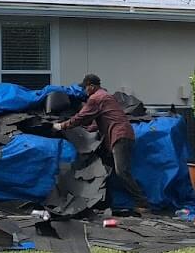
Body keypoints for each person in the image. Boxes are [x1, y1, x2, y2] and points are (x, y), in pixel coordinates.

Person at [54, 74, 149, 213]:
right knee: (108, 170)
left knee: (121, 171)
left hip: (119, 136)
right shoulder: (106, 96)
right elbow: (98, 120)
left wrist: (62, 126)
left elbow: (82, 116)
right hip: (122, 134)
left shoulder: (96, 98)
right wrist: (87, 128)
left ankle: (143, 203)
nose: (85, 91)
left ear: (92, 86)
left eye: (86, 88)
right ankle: (104, 201)